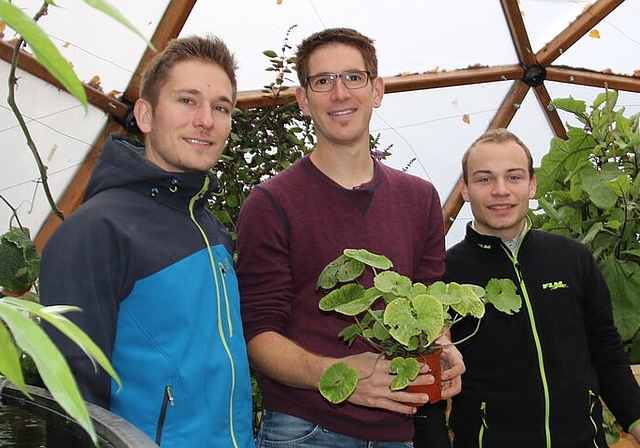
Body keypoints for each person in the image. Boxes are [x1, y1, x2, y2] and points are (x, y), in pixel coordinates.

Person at [235, 27, 464, 447]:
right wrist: (341, 378)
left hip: (398, 428)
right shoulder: (270, 203)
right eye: (323, 81)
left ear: (377, 90)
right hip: (305, 428)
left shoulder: (419, 198)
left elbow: (428, 296)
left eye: (353, 77)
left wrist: (444, 346)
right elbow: (257, 335)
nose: (340, 93)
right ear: (304, 100)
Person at [39, 35, 255, 448]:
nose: (206, 120)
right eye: (187, 100)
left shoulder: (209, 226)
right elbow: (72, 399)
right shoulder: (96, 230)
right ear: (145, 114)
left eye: (221, 107)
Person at [444, 128, 640, 447]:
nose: (500, 190)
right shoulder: (445, 274)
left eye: (514, 177)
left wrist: (635, 419)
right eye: (484, 179)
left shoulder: (573, 257)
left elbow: (606, 352)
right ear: (465, 189)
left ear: (532, 184)